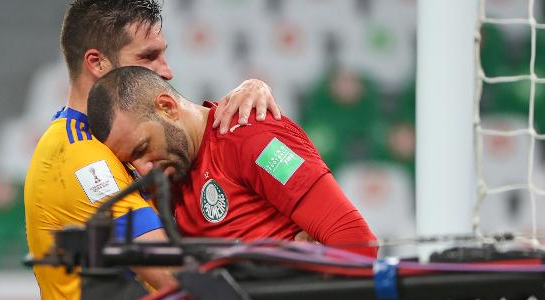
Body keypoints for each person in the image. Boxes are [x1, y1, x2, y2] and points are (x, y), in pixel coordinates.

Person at [24, 1, 281, 299]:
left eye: (163, 53)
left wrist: (251, 89)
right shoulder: (79, 158)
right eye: (149, 56)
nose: (167, 71)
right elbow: (172, 274)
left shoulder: (123, 142)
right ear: (97, 63)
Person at [87, 66, 378, 257]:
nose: (144, 168)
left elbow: (356, 242)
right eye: (132, 161)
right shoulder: (172, 173)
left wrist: (300, 280)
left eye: (143, 148)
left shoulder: (252, 139)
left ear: (167, 107)